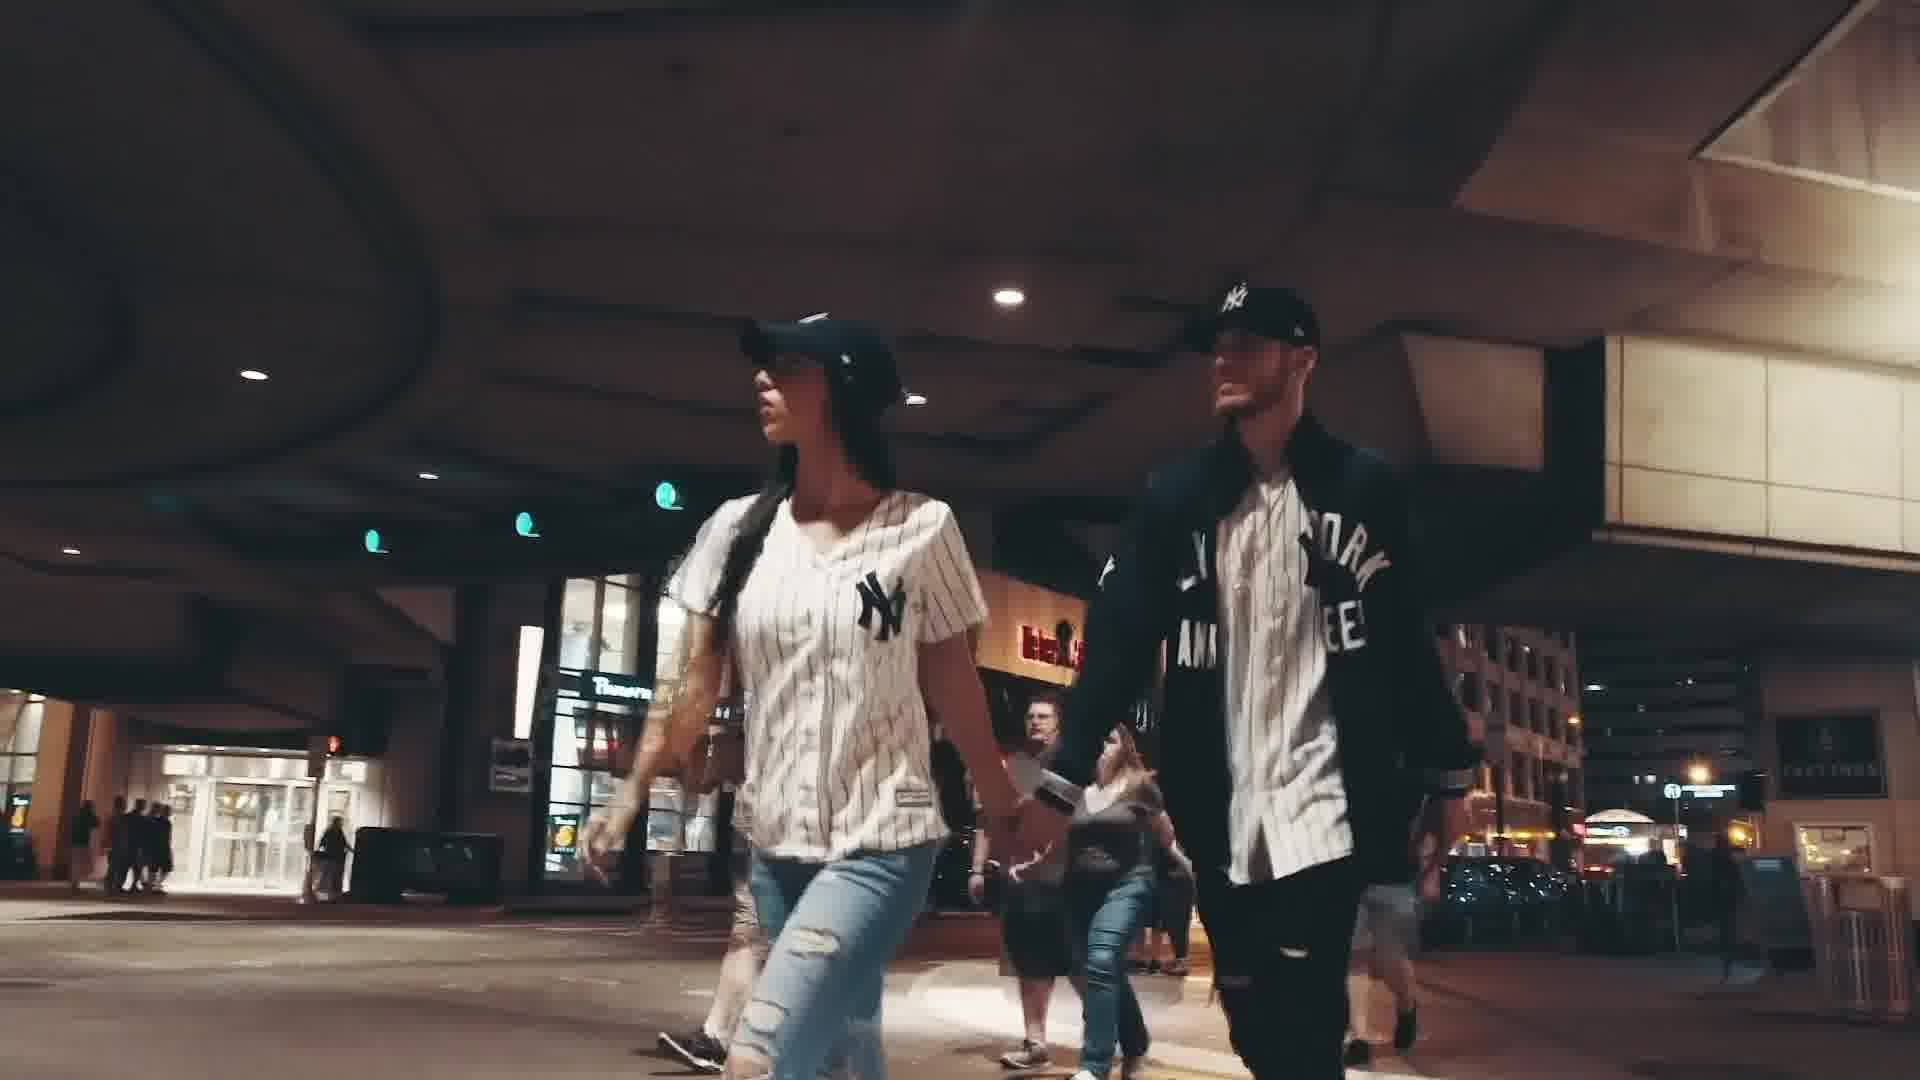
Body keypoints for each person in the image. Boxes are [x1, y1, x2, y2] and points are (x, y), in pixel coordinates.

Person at [1010, 282, 1479, 1079]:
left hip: (1327, 808)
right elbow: (1119, 644)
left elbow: (1405, 641)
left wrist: (1449, 776)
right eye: (1217, 346)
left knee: (1306, 1027)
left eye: (1247, 344)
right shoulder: (1176, 498)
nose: (1223, 360)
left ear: (1302, 359)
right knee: (1255, 1030)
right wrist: (1062, 781)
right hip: (1218, 817)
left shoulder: (1362, 488)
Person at [582, 316, 1022, 1080]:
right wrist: (627, 796)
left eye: (787, 367)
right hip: (775, 846)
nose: (762, 380)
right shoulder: (736, 532)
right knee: (841, 1056)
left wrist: (1001, 805)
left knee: (760, 1055)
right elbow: (691, 686)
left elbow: (953, 682)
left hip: (883, 840)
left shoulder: (923, 529)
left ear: (843, 389)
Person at [1062, 725, 1188, 1080]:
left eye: (1110, 739)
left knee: (1102, 959)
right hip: (1081, 891)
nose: (1102, 746)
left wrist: (1186, 870)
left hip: (1128, 884)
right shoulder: (1080, 790)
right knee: (1101, 969)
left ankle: (1094, 1066)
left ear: (1125, 747)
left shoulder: (1140, 786)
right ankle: (1136, 1042)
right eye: (1097, 739)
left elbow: (1166, 834)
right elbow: (1063, 840)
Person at [970, 694, 1075, 1070]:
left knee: (1082, 966)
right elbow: (987, 820)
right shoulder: (1013, 765)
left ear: (1058, 723)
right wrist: (977, 869)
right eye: (1031, 716)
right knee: (1028, 962)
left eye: (1043, 716)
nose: (1035, 722)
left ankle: (1121, 1038)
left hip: (1068, 878)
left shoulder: (1073, 763)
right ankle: (1035, 1042)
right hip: (1021, 878)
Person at [659, 727, 766, 1075]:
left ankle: (743, 1041)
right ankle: (719, 1037)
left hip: (801, 830)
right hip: (762, 826)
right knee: (749, 931)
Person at [1707, 832, 1745, 981]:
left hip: (1719, 895)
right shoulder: (1729, 858)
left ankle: (1725, 949)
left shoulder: (1713, 856)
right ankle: (1730, 949)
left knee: (1724, 925)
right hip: (1730, 895)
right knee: (1730, 924)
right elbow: (1736, 875)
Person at [68, 800, 100, 895]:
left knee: (76, 864)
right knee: (81, 864)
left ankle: (75, 884)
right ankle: (75, 885)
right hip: (82, 842)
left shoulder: (77, 815)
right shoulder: (88, 815)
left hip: (75, 842)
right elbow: (97, 823)